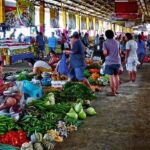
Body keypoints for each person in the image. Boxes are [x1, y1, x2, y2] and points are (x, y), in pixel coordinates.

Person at [103, 30, 121, 96]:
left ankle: (113, 93)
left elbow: (105, 53)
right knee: (116, 76)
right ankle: (116, 91)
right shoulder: (117, 42)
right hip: (117, 61)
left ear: (106, 35)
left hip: (109, 62)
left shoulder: (105, 43)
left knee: (111, 77)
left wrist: (105, 54)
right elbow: (119, 52)